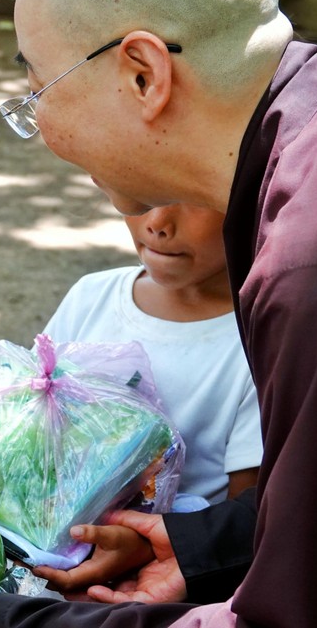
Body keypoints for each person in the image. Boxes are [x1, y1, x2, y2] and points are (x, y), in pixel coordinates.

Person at [0, 0, 317, 625]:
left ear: (144, 76)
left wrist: (18, 619)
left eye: (38, 92)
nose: (37, 128)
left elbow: (309, 610)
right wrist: (202, 546)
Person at [42, 203, 260, 507]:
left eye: (189, 199)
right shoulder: (90, 297)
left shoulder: (256, 344)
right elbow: (31, 423)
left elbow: (246, 514)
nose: (158, 223)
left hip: (171, 550)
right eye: (144, 196)